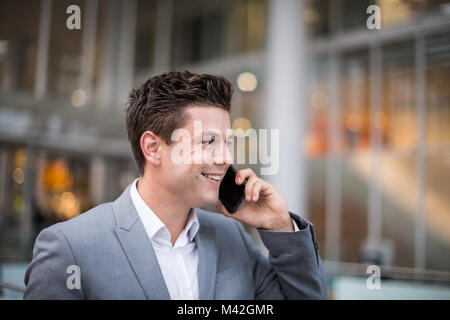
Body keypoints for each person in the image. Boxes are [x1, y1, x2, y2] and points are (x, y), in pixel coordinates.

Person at [23, 71, 327, 299]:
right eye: (208, 141)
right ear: (153, 148)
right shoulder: (70, 248)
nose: (225, 157)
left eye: (227, 143)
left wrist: (280, 226)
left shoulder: (230, 236)